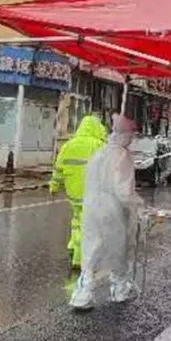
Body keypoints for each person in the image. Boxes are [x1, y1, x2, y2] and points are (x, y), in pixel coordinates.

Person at [69, 115, 143, 310]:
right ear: (125, 135)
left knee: (91, 249)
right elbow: (124, 190)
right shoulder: (122, 156)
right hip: (113, 211)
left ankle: (82, 294)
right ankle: (119, 289)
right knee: (118, 250)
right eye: (131, 135)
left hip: (92, 208)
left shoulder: (100, 153)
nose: (132, 139)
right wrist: (139, 205)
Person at [49, 114, 108, 270]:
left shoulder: (69, 145)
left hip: (73, 193)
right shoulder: (100, 146)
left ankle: (73, 246)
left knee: (77, 221)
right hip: (92, 194)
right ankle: (79, 258)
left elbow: (58, 168)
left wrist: (54, 186)